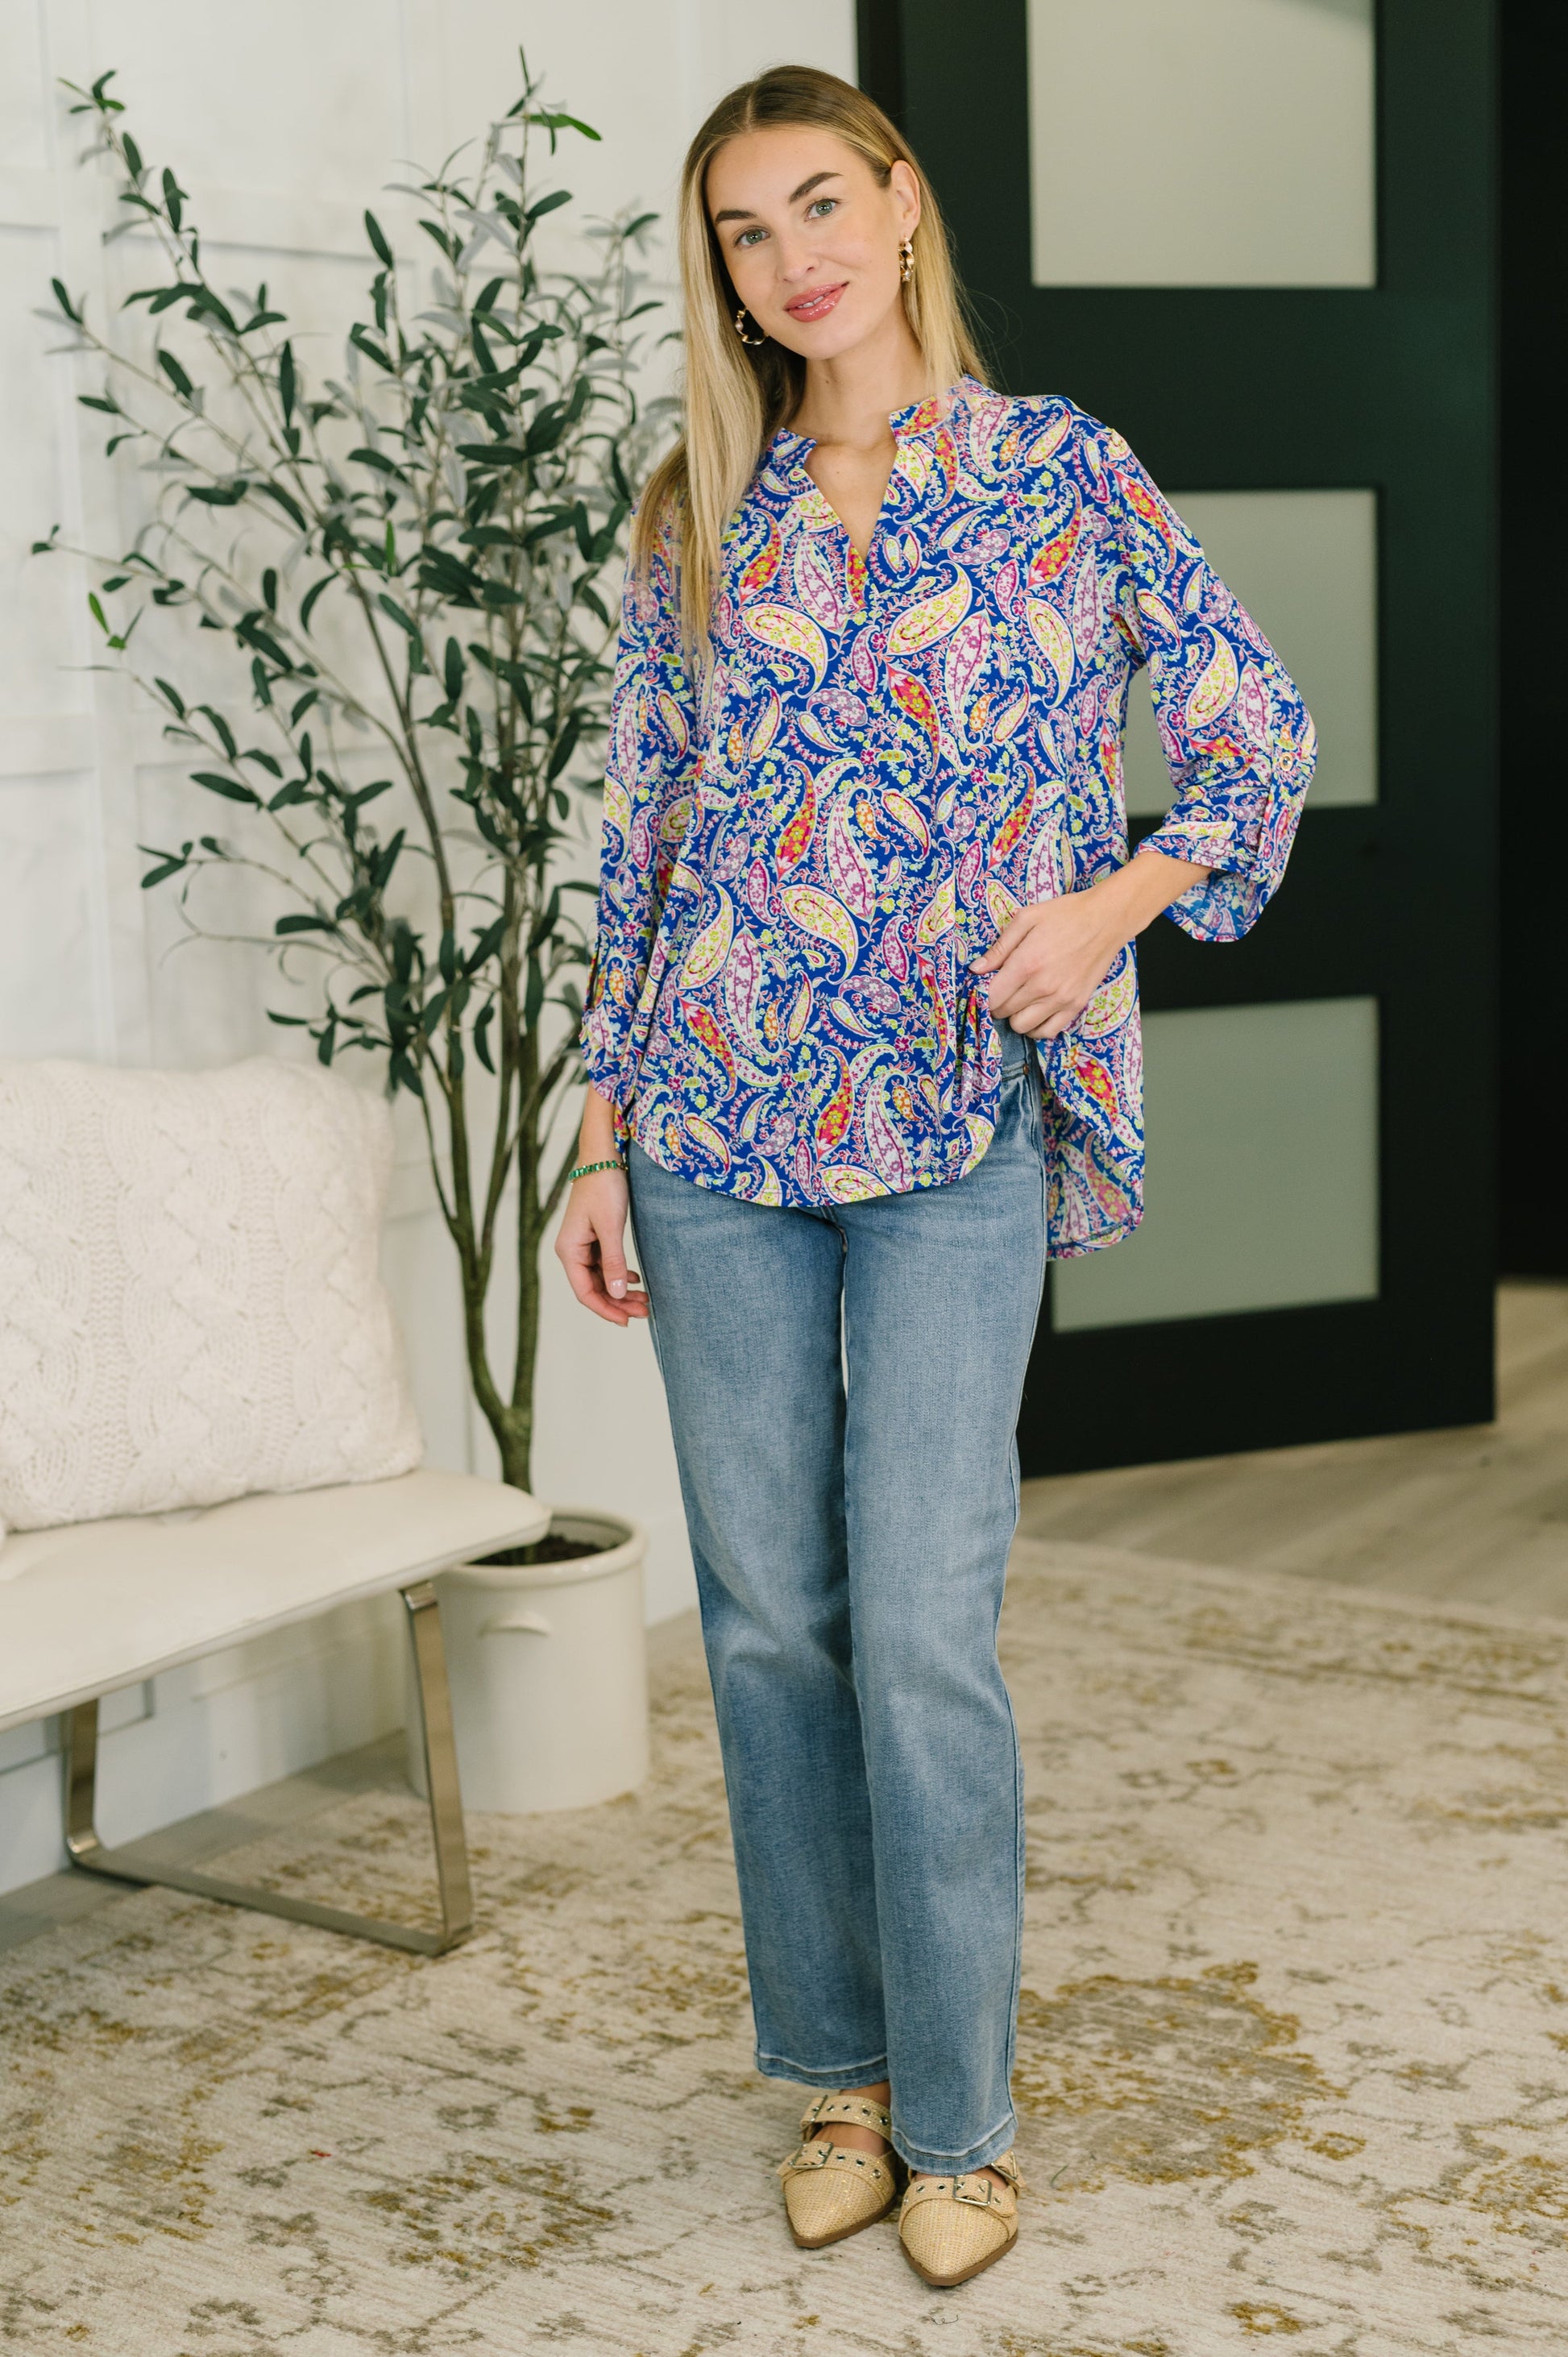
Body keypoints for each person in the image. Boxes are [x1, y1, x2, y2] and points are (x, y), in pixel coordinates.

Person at [557, 64, 1313, 2289]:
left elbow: (1254, 726)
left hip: (949, 1127)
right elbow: (644, 843)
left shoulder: (1061, 472)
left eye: (816, 202)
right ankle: (841, 2077)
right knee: (769, 1622)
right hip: (707, 1127)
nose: (786, 255)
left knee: (915, 1624)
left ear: (897, 211)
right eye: (739, 230)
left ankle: (963, 2124)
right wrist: (594, 1139)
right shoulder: (699, 503)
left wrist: (1106, 906)